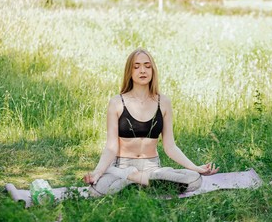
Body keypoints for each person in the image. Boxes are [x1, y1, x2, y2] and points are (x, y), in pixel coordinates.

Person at [83, 48, 219, 196]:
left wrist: (195, 168)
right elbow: (111, 147)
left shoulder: (163, 102)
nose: (143, 70)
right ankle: (138, 181)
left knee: (194, 180)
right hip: (122, 167)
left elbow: (170, 146)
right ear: (130, 71)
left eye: (147, 66)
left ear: (153, 70)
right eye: (137, 66)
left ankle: (137, 182)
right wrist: (97, 172)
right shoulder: (117, 103)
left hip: (152, 169)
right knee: (96, 190)